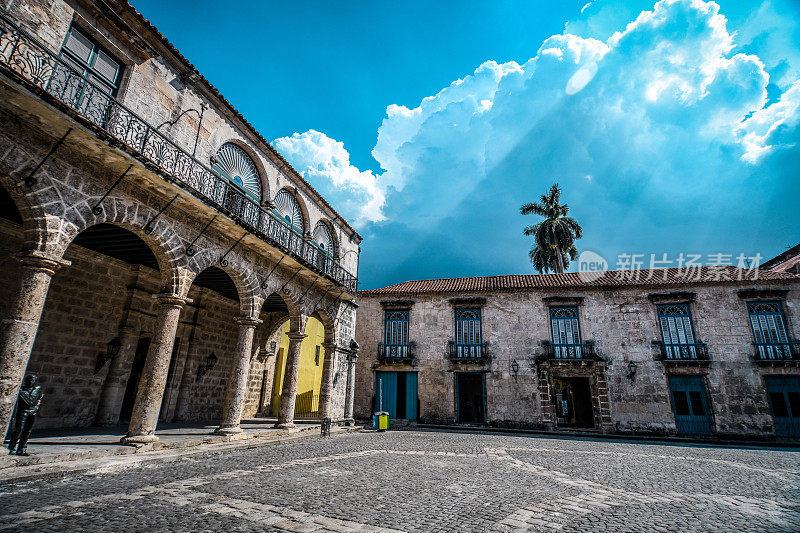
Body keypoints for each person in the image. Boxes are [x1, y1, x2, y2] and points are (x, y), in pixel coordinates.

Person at [7, 374, 44, 456]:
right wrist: (14, 415)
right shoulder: (21, 390)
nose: (31, 382)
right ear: (26, 381)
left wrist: (36, 407)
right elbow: (16, 403)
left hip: (32, 411)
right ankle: (12, 447)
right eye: (29, 380)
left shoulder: (37, 389)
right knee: (18, 430)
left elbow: (40, 398)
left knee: (27, 431)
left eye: (33, 380)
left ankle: (22, 449)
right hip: (23, 411)